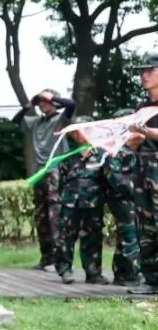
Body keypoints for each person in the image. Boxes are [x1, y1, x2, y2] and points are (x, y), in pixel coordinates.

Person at [13, 89, 77, 270]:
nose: (41, 103)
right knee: (41, 217)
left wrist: (52, 97)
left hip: (56, 171)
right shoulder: (36, 122)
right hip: (39, 173)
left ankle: (60, 260)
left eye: (45, 100)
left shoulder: (60, 120)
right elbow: (16, 121)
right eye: (40, 101)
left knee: (55, 216)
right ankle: (47, 258)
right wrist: (29, 105)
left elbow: (71, 105)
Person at [54, 117, 108, 284]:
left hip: (93, 202)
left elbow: (106, 179)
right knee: (66, 236)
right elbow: (62, 181)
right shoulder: (68, 156)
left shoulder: (101, 154)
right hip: (70, 202)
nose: (78, 134)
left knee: (92, 238)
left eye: (82, 130)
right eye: (75, 132)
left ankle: (93, 273)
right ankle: (65, 270)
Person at [127, 54, 158, 294]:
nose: (144, 75)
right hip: (142, 169)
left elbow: (148, 132)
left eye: (150, 70)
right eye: (142, 71)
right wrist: (134, 139)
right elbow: (133, 142)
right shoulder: (141, 108)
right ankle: (151, 280)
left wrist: (146, 131)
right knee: (145, 227)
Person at [102, 109, 143, 286]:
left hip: (136, 199)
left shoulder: (140, 147)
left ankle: (121, 273)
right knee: (130, 234)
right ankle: (136, 274)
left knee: (126, 234)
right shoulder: (114, 149)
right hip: (121, 199)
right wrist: (137, 192)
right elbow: (115, 178)